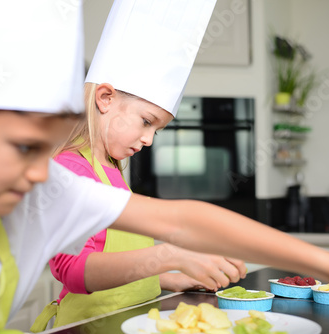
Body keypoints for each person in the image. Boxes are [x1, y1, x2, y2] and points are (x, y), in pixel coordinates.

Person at [0, 1, 329, 334]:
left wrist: (325, 263)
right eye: (23, 148)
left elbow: (180, 220)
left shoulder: (44, 191)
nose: (44, 173)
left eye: (48, 149)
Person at [31, 0, 246, 330]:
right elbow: (73, 270)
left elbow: (120, 265)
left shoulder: (113, 168)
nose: (149, 139)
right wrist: (171, 255)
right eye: (146, 121)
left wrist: (169, 279)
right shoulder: (71, 170)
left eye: (155, 129)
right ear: (105, 98)